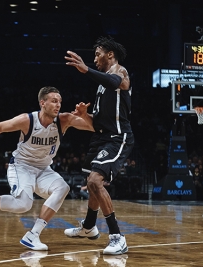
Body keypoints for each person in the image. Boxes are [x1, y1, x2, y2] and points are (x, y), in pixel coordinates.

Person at [0, 86, 94, 250]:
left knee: (62, 188)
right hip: (21, 166)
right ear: (42, 103)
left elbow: (93, 127)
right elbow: (0, 127)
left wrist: (85, 115)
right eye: (53, 101)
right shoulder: (27, 120)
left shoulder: (64, 120)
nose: (58, 105)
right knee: (23, 205)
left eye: (60, 101)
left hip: (43, 169)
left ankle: (33, 235)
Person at [63, 36, 134, 255]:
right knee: (91, 183)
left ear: (110, 54)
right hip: (101, 137)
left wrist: (85, 70)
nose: (94, 58)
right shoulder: (102, 87)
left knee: (95, 181)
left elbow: (114, 82)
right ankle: (88, 227)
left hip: (117, 137)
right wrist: (86, 116)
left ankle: (117, 237)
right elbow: (98, 123)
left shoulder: (120, 72)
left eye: (97, 54)